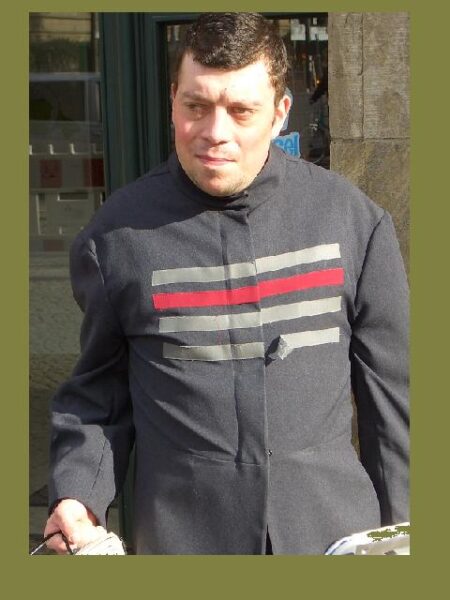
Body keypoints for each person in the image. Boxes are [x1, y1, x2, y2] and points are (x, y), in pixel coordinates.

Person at [44, 12, 409, 555]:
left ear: (280, 113)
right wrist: (78, 494)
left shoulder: (353, 222)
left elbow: (395, 399)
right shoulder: (116, 238)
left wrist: (407, 531)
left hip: (331, 535)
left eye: (241, 111)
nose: (215, 132)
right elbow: (100, 392)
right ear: (173, 102)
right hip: (183, 540)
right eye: (196, 106)